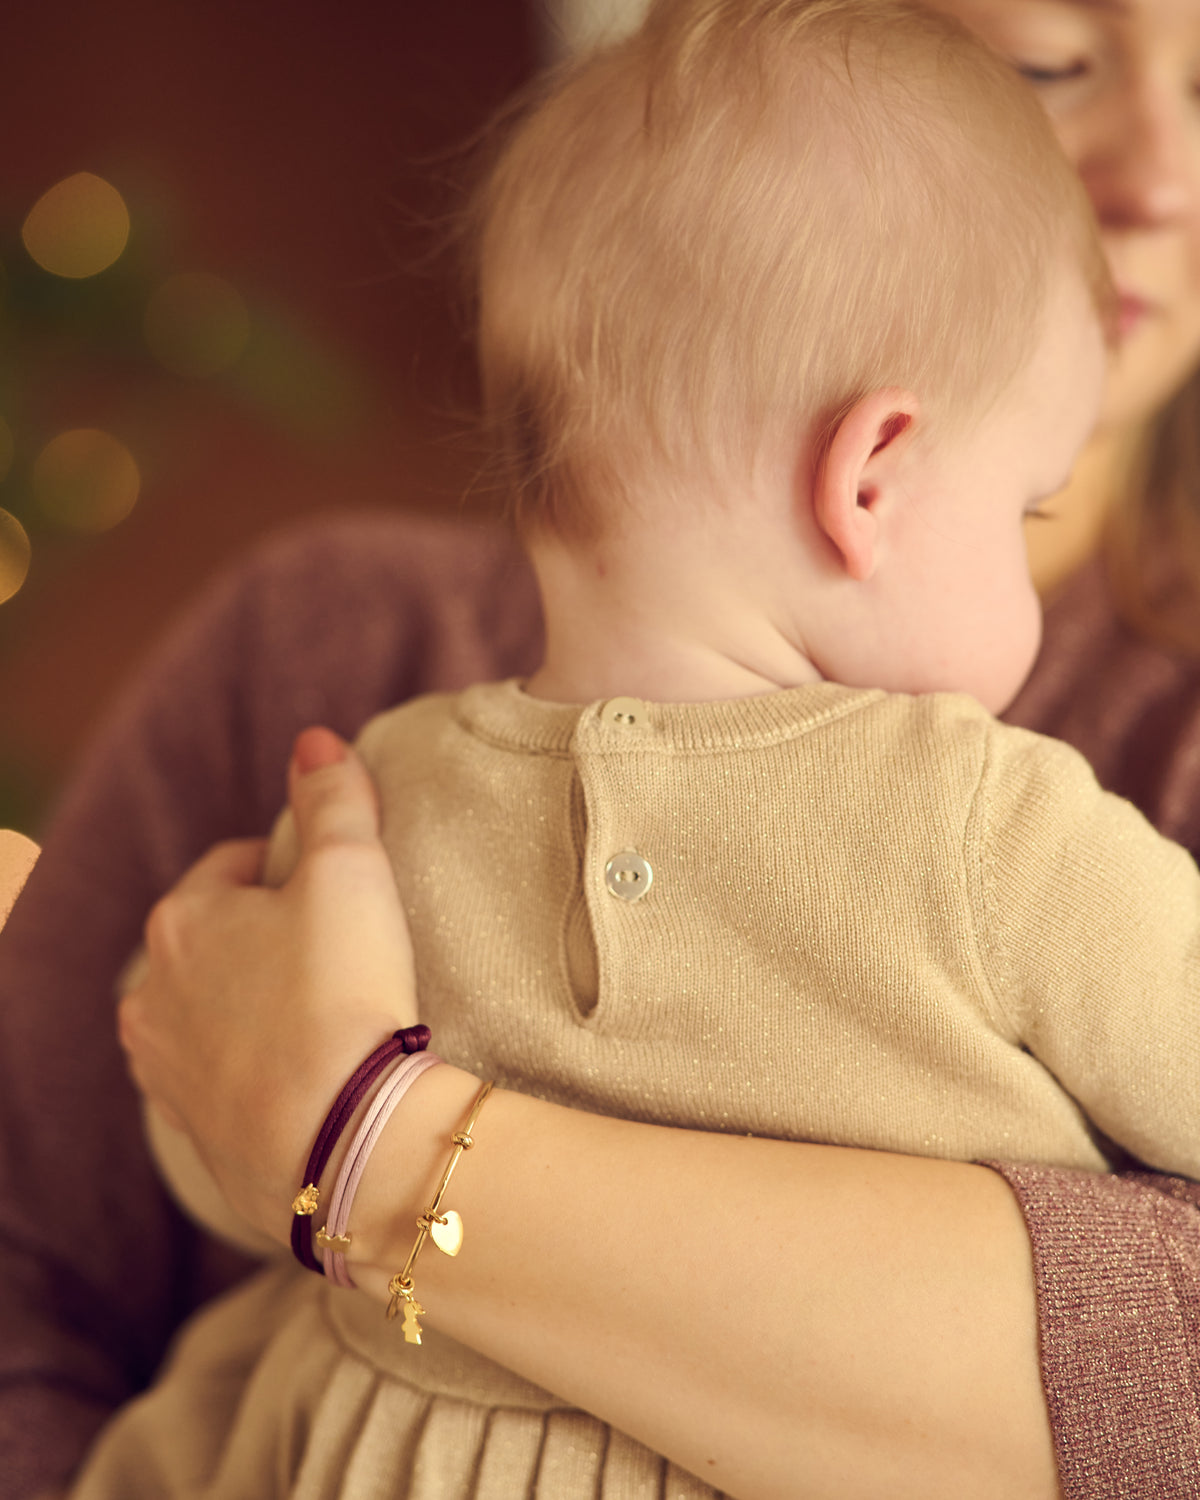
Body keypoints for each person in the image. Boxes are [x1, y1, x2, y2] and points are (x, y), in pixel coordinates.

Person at [3, 0, 1200, 1494]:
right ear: (871, 480)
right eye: (1052, 64)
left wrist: (336, 1131)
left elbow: (209, 1115)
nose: (1162, 168)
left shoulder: (372, 791)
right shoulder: (993, 821)